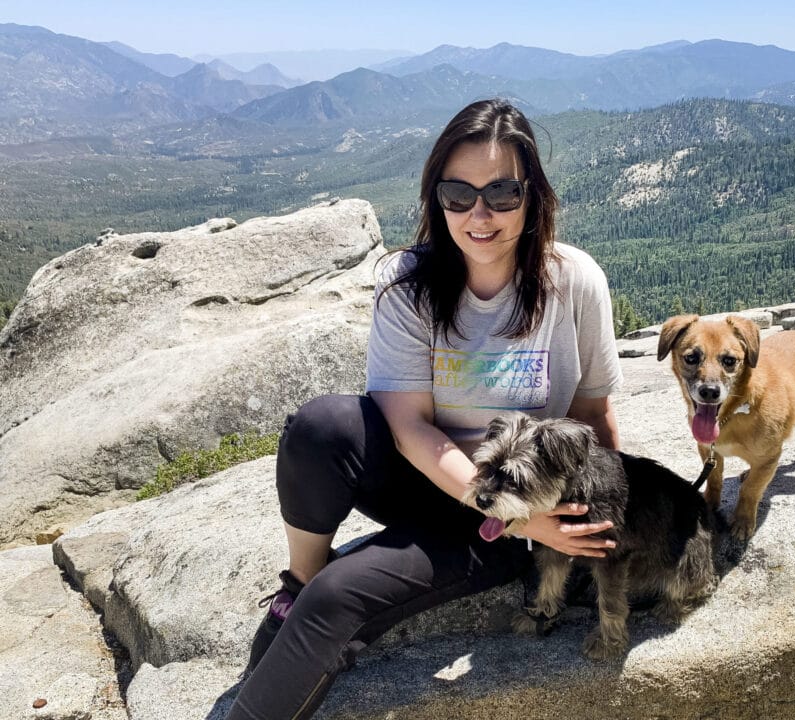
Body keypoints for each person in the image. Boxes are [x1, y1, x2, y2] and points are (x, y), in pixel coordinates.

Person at [225, 98, 623, 720]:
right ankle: (297, 584)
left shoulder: (574, 282)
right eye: (457, 194)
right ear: (435, 197)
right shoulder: (408, 284)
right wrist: (489, 500)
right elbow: (407, 424)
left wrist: (578, 528)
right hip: (437, 481)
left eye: (502, 192)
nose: (479, 214)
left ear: (534, 195)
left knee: (340, 596)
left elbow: (593, 418)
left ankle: (312, 603)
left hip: (509, 517)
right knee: (320, 427)